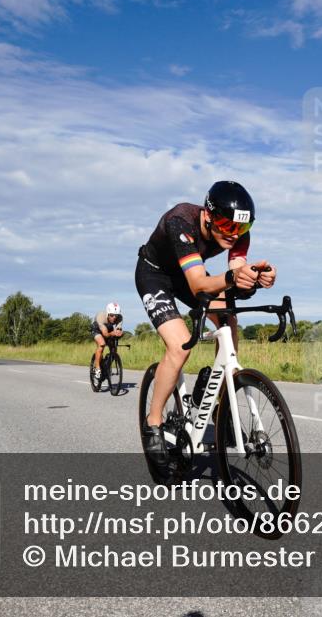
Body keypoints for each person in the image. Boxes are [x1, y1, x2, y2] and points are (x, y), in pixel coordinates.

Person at [135, 181, 275, 451]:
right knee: (180, 345)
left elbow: (236, 270)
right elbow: (199, 284)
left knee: (228, 319)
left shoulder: (237, 232)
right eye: (229, 226)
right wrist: (234, 278)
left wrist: (255, 278)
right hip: (155, 275)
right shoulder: (181, 220)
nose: (235, 234)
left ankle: (215, 397)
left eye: (243, 228)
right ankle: (152, 424)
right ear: (208, 216)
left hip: (189, 273)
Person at [91, 302, 124, 380]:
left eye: (116, 316)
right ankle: (97, 369)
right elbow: (105, 334)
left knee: (113, 349)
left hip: (108, 328)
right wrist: (113, 333)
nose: (114, 318)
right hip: (97, 329)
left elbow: (118, 329)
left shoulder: (120, 318)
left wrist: (119, 333)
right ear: (108, 313)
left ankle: (106, 366)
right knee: (102, 344)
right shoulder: (101, 316)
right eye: (112, 315)